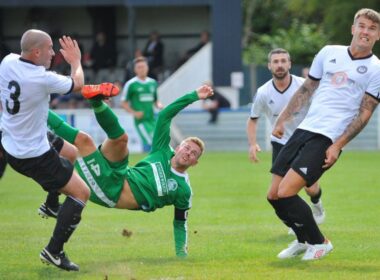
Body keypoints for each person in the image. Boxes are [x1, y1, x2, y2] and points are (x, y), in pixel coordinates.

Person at [45, 84, 214, 257]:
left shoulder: (183, 190)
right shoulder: (162, 150)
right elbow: (165, 114)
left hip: (111, 191)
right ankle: (96, 102)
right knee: (120, 139)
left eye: (194, 154)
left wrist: (181, 255)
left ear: (195, 163)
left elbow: (180, 223)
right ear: (178, 147)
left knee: (83, 141)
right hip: (120, 172)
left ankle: (41, 113)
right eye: (186, 148)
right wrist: (194, 96)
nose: (188, 153)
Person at [270, 8, 380, 261]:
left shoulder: (376, 69)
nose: (365, 32)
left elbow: (365, 112)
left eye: (372, 29)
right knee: (273, 195)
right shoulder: (329, 52)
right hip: (304, 129)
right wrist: (283, 118)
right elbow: (308, 88)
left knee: (287, 192)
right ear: (353, 29)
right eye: (362, 26)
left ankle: (320, 243)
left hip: (327, 137)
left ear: (378, 35)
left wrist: (338, 145)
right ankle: (302, 240)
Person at [0, 29, 101, 271]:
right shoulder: (42, 78)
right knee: (81, 194)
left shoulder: (8, 61)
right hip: (33, 154)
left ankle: (52, 204)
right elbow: (78, 84)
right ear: (36, 52)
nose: (54, 53)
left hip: (15, 139)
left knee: (71, 153)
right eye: (49, 49)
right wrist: (76, 61)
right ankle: (54, 252)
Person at [246, 48, 325, 236]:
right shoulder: (263, 92)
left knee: (310, 188)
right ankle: (297, 223)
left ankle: (317, 206)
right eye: (276, 61)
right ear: (269, 66)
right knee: (276, 192)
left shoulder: (303, 86)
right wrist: (252, 144)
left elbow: (320, 109)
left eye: (283, 61)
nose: (279, 65)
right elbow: (253, 119)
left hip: (306, 141)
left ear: (289, 64)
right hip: (280, 144)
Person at [121, 56, 163, 152]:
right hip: (141, 121)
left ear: (147, 68)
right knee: (153, 142)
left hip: (152, 119)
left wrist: (160, 106)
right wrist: (134, 113)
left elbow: (156, 101)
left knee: (158, 141)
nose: (142, 69)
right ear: (135, 69)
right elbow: (123, 103)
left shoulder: (153, 83)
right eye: (139, 67)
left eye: (143, 66)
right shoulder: (131, 84)